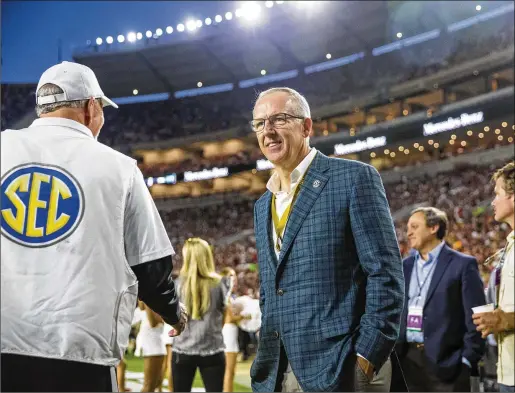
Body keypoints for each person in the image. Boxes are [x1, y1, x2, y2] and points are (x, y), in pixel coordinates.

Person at [0, 61, 187, 392]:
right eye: (101, 109)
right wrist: (172, 312)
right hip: (79, 357)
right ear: (90, 108)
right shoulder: (119, 169)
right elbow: (150, 265)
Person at [250, 87, 404, 392]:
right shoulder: (261, 205)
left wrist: (366, 356)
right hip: (277, 371)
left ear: (307, 126)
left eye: (279, 119)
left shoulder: (353, 178)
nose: (268, 131)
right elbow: (271, 290)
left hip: (342, 365)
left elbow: (385, 273)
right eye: (259, 123)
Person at [392, 207, 486, 392]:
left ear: (433, 227)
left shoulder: (462, 264)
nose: (408, 232)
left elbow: (476, 318)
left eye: (414, 226)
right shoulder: (406, 266)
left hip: (447, 364)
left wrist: (467, 360)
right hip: (406, 360)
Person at [473, 162, 515, 392]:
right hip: (507, 371)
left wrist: (506, 320)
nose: (493, 201)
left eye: (498, 193)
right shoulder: (508, 246)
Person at [171, 238, 232, 392]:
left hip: (182, 350)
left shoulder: (178, 284)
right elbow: (224, 316)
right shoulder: (219, 284)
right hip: (212, 349)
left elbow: (174, 318)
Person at [221, 267, 246, 392]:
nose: (234, 279)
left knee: (230, 372)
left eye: (235, 276)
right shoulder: (227, 296)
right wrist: (247, 315)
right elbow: (231, 318)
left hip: (230, 334)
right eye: (231, 276)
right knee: (229, 372)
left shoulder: (228, 295)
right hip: (228, 335)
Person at [134, 301, 167, 392]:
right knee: (149, 385)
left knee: (156, 383)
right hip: (151, 340)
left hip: (157, 339)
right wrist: (166, 318)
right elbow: (153, 323)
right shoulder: (149, 297)